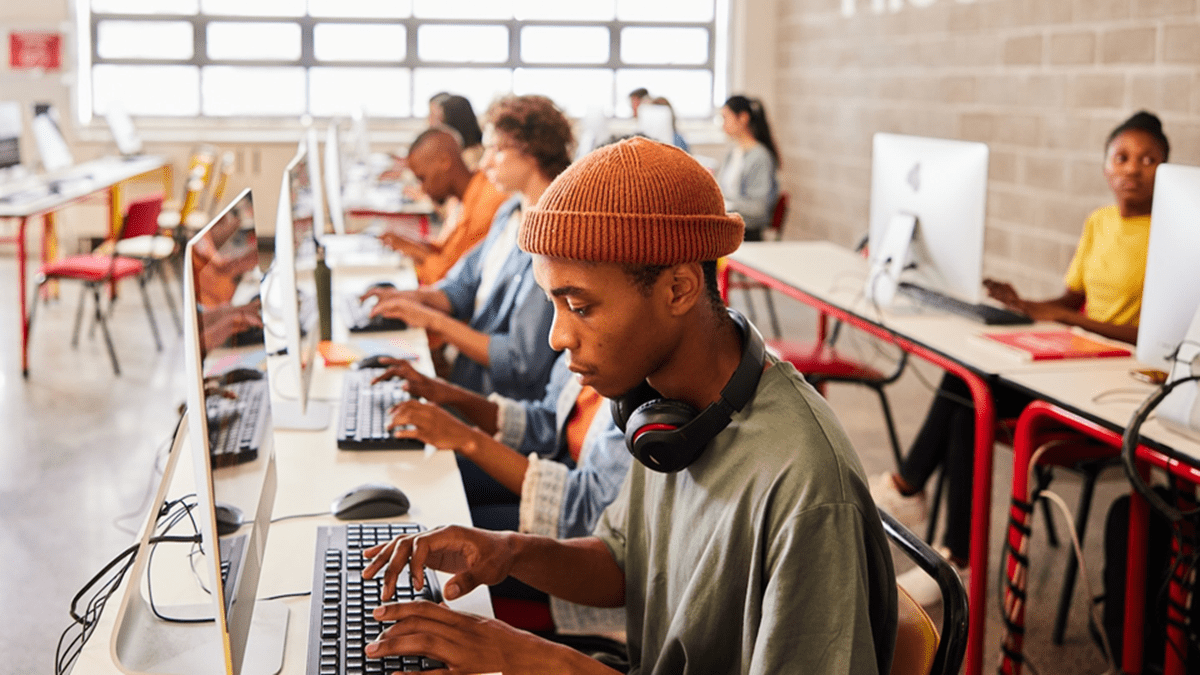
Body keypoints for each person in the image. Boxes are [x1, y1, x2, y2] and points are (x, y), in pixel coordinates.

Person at [360, 137, 896, 674]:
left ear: (679, 289)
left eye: (579, 306)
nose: (556, 337)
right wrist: (508, 552)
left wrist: (535, 659)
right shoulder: (662, 409)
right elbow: (626, 565)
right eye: (553, 304)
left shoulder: (804, 485)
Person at [871, 110, 1171, 605]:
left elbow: (1150, 333)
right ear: (1104, 166)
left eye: (1148, 160)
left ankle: (910, 492)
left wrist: (1059, 318)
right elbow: (1072, 300)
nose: (1132, 169)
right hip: (1076, 362)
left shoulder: (1171, 232)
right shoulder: (1099, 222)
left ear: (1166, 169)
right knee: (968, 384)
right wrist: (1030, 305)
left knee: (970, 394)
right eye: (1121, 157)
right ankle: (952, 548)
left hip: (1116, 386)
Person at [371, 352, 630, 631]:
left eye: (580, 307)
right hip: (563, 478)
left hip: (582, 544)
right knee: (431, 506)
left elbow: (589, 512)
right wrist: (449, 394)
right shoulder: (588, 349)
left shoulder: (644, 401)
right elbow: (546, 423)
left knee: (440, 544)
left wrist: (469, 440)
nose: (555, 339)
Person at [364, 95, 571, 402]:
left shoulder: (554, 241)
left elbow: (519, 361)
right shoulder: (510, 211)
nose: (485, 162)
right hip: (467, 379)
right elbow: (463, 284)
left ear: (533, 152)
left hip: (495, 401)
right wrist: (409, 298)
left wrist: (432, 320)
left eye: (497, 150)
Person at [377, 127, 508, 286]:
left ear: (444, 162)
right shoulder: (458, 201)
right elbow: (449, 252)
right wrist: (414, 245)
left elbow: (451, 280)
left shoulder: (487, 202)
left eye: (422, 178)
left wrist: (418, 253)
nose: (422, 189)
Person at [717, 94, 780, 241]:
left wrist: (729, 205)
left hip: (746, 233)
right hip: (727, 227)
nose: (723, 124)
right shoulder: (733, 152)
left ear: (743, 118)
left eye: (725, 118)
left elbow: (758, 209)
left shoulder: (760, 157)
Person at [428, 93, 485, 170]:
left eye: (441, 119)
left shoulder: (469, 156)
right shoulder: (464, 150)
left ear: (453, 121)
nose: (439, 126)